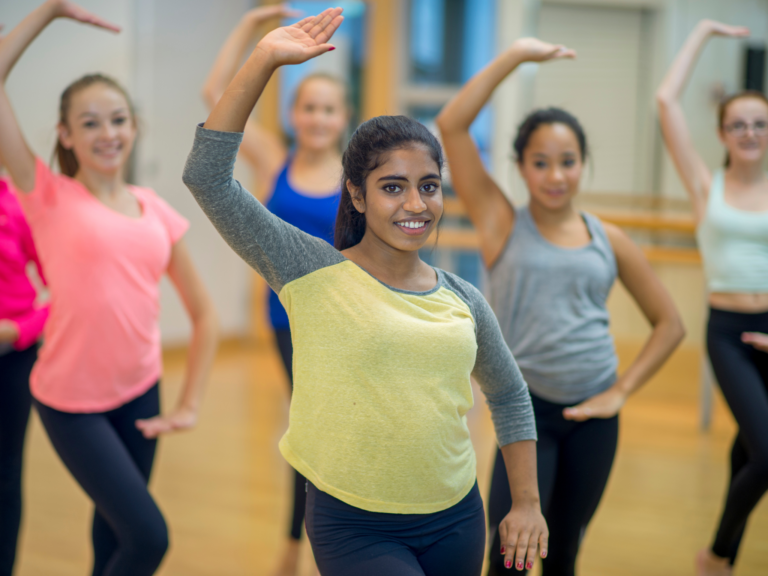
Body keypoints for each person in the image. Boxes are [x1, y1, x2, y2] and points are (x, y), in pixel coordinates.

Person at [183, 9, 547, 575]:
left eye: (429, 186)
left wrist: (525, 502)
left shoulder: (464, 299)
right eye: (392, 187)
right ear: (356, 194)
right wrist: (264, 59)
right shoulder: (310, 270)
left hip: (455, 517)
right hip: (354, 526)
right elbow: (207, 178)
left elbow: (509, 394)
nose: (415, 204)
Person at [436, 38, 685, 576]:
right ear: (521, 168)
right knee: (509, 556)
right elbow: (451, 125)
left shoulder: (609, 239)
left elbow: (670, 324)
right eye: (541, 163)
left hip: (594, 415)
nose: (555, 176)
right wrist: (514, 58)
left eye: (567, 162)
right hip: (525, 414)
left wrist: (620, 390)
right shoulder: (501, 222)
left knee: (564, 554)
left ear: (583, 165)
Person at [0, 2, 219, 575]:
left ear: (134, 127)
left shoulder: (155, 209)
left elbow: (204, 314)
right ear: (66, 134)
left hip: (140, 393)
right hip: (71, 403)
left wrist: (190, 402)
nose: (107, 133)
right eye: (90, 122)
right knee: (148, 538)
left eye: (118, 119)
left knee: (113, 541)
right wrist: (49, 11)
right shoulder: (46, 195)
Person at [201, 7, 350, 574]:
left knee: (321, 426)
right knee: (311, 424)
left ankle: (311, 544)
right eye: (308, 107)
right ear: (293, 114)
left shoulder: (355, 173)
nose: (317, 117)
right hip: (287, 318)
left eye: (328, 109)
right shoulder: (273, 158)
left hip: (341, 319)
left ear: (344, 117)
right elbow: (215, 92)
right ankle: (296, 546)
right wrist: (250, 28)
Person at [656, 19, 768, 576]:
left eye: (760, 124)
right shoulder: (707, 186)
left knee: (749, 451)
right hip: (727, 332)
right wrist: (700, 32)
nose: (750, 132)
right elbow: (665, 101)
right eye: (738, 124)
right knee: (766, 452)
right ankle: (717, 556)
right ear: (722, 133)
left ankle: (721, 561)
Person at [0, 166, 49, 576]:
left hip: (12, 359)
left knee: (5, 474)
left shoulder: (17, 205)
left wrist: (19, 330)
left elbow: (65, 288)